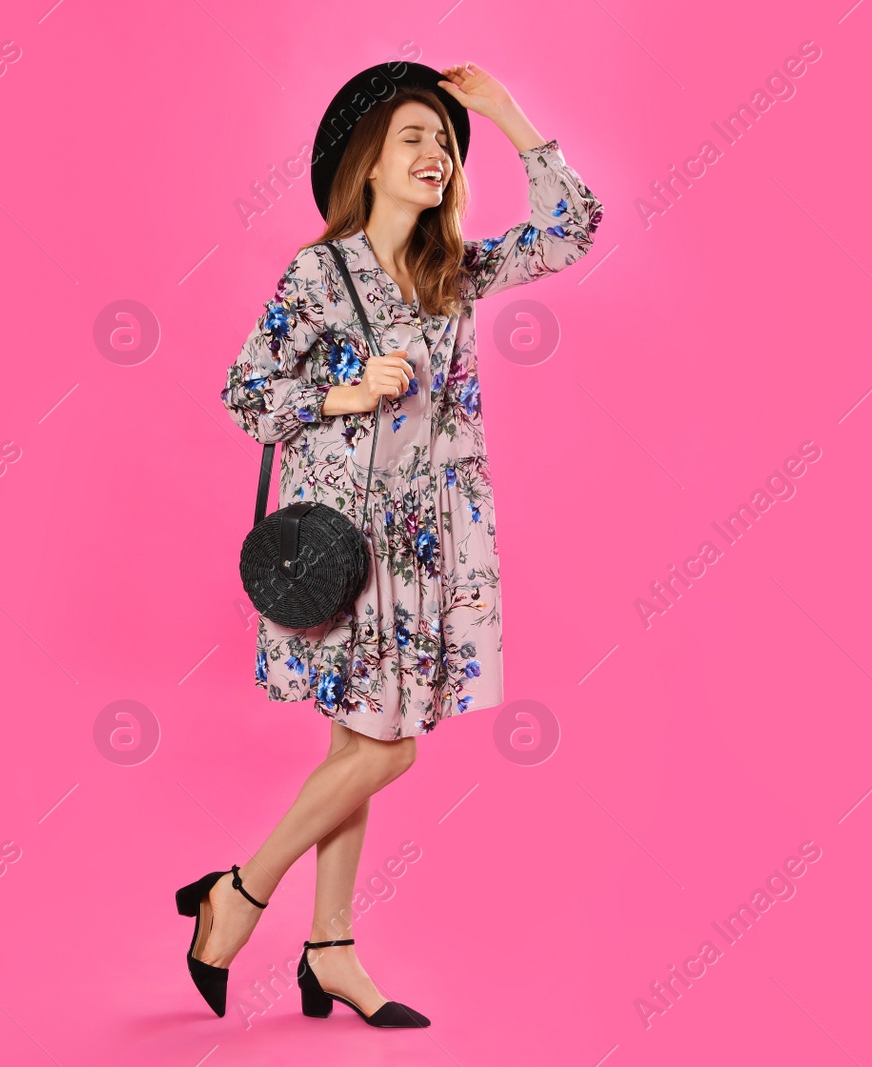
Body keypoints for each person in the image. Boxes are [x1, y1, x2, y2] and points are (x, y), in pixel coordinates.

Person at [179, 60, 604, 1028]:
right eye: (413, 136)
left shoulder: (451, 272)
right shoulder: (317, 273)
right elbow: (245, 392)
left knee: (360, 742)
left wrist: (498, 110)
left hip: (423, 550)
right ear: (367, 165)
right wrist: (340, 389)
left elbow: (573, 228)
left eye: (444, 144)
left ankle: (327, 944)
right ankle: (239, 893)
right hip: (340, 550)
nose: (434, 152)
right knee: (385, 750)